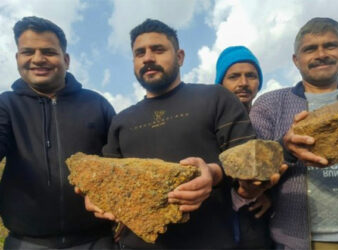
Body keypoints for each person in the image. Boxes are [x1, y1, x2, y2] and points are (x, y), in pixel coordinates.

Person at [84, 19, 285, 249]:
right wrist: (96, 193)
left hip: (210, 242)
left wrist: (214, 173)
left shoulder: (216, 98)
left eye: (158, 50)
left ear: (180, 56)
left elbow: (248, 160)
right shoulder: (121, 120)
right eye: (140, 53)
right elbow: (108, 175)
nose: (148, 57)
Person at [0, 16, 116, 249]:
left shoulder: (97, 104)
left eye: (48, 52)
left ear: (66, 59)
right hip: (26, 241)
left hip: (96, 239)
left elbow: (120, 159)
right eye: (28, 52)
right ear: (17, 58)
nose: (38, 59)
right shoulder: (6, 105)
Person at [250, 17, 338, 249]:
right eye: (310, 49)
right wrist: (285, 148)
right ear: (296, 60)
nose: (321, 54)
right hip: (302, 240)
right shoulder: (271, 104)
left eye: (330, 45)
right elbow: (250, 167)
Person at [215, 45, 272, 249]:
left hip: (257, 226)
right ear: (220, 83)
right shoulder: (207, 123)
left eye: (251, 75)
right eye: (234, 76)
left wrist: (269, 195)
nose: (243, 83)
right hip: (217, 226)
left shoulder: (268, 122)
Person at [215, 46, 262, 112]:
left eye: (250, 76)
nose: (244, 83)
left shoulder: (273, 119)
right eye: (233, 77)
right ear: (220, 84)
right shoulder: (206, 120)